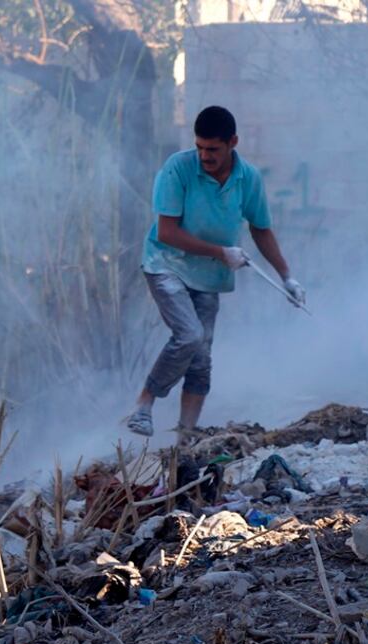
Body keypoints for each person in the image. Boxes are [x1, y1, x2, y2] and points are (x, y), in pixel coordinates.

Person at [127, 106, 305, 439]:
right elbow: (166, 232)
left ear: (232, 143)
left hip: (208, 275)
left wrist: (286, 277)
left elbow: (261, 229)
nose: (205, 156)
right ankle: (144, 405)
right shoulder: (177, 169)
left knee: (202, 355)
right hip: (166, 264)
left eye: (213, 149)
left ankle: (186, 437)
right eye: (200, 148)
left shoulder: (247, 178)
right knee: (190, 335)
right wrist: (221, 253)